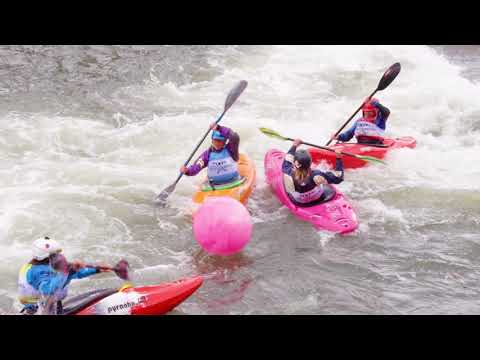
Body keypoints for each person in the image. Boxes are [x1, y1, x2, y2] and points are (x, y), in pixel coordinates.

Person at [17, 237, 107, 315]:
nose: (59, 256)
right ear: (47, 256)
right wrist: (66, 270)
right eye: (56, 254)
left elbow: (75, 273)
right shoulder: (37, 272)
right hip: (39, 312)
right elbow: (47, 290)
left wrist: (96, 269)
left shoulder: (43, 265)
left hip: (46, 307)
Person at [282, 139, 344, 207]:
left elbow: (287, 160)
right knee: (322, 182)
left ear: (294, 163)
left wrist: (294, 145)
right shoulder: (316, 174)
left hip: (300, 202)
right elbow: (339, 177)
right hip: (318, 197)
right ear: (310, 163)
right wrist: (339, 158)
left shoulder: (287, 170)